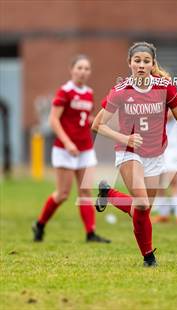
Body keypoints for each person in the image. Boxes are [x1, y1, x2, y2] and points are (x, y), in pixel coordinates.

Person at [91, 42, 177, 267]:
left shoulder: (164, 87)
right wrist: (125, 139)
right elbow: (97, 125)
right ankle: (149, 257)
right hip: (128, 152)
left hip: (155, 155)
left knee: (143, 209)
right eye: (137, 61)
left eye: (146, 61)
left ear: (152, 64)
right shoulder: (120, 90)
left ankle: (109, 194)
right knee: (140, 203)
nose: (141, 65)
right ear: (129, 63)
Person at [32, 55, 110, 243]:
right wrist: (67, 142)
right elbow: (53, 119)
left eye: (87, 68)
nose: (83, 72)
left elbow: (82, 118)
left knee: (85, 192)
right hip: (65, 150)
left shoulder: (89, 93)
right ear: (71, 69)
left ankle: (91, 233)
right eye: (80, 68)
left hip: (85, 148)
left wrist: (100, 120)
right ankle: (40, 224)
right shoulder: (65, 91)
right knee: (63, 194)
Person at [153, 95, 177, 224]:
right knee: (159, 181)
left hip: (173, 147)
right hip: (157, 145)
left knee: (174, 180)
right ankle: (163, 214)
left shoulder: (176, 94)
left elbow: (169, 115)